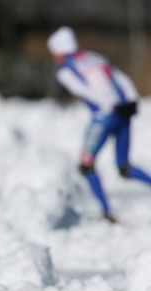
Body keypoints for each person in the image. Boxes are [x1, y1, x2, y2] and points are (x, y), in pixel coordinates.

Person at [47, 26, 151, 223]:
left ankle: (107, 213)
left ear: (59, 50)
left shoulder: (65, 70)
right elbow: (121, 77)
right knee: (125, 166)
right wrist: (131, 99)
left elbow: (83, 90)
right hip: (124, 111)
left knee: (86, 165)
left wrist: (107, 103)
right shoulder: (94, 56)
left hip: (105, 115)